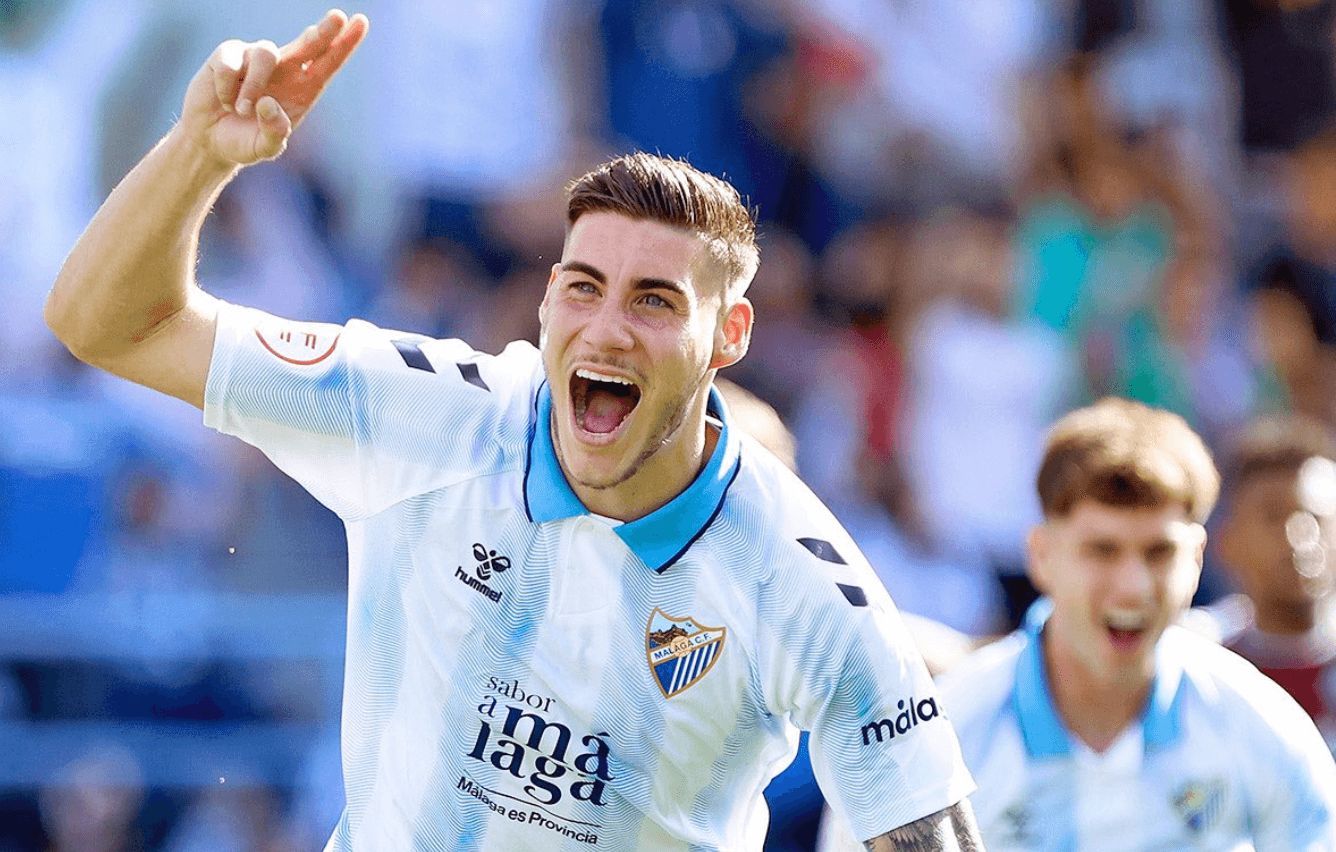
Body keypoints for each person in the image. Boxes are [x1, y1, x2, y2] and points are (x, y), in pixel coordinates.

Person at [44, 10, 981, 851]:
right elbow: (106, 324)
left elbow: (933, 832)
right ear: (544, 302)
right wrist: (200, 155)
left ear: (727, 336)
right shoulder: (428, 412)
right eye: (583, 287)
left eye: (655, 301)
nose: (606, 326)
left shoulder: (800, 576)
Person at [934, 398, 1336, 849]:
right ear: (1042, 556)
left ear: (1198, 558)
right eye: (1103, 550)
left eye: (1159, 552)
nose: (1133, 586)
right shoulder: (945, 740)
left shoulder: (1263, 725)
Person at [1209, 416, 1336, 749]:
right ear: (1228, 543)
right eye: (1274, 516)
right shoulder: (1206, 674)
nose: (1301, 536)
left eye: (1318, 517)